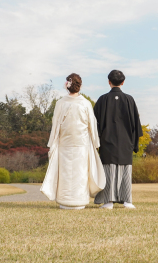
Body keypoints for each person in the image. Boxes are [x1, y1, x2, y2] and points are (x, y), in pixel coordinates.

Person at [41, 73, 105, 210]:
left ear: (67, 85)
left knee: (65, 172)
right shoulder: (86, 103)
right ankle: (79, 200)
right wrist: (95, 142)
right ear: (80, 86)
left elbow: (55, 124)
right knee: (80, 173)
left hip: (65, 143)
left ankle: (65, 201)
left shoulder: (61, 103)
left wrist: (52, 143)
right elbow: (92, 124)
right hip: (81, 143)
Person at [93, 69, 143, 209]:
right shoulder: (129, 99)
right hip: (126, 142)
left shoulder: (103, 99)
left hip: (107, 142)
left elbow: (94, 123)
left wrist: (96, 142)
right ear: (123, 82)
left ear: (109, 81)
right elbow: (136, 124)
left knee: (108, 171)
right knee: (125, 171)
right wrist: (134, 144)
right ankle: (128, 201)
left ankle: (108, 202)